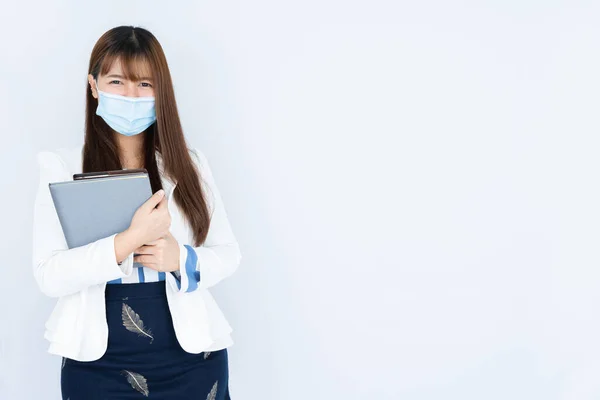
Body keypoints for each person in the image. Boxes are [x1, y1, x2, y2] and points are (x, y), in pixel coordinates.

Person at [32, 25, 241, 399]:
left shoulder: (190, 165)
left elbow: (228, 255)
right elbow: (48, 275)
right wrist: (128, 241)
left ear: (161, 91)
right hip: (98, 361)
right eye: (117, 82)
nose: (132, 95)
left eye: (145, 84)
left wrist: (182, 259)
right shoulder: (61, 167)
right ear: (93, 86)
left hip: (192, 357)